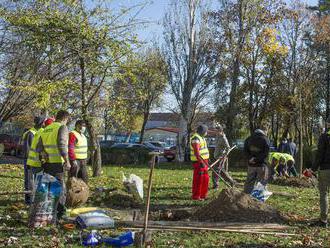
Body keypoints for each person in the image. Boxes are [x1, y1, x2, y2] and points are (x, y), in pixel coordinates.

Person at [37, 110, 70, 220]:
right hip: (57, 165)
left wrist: (43, 154)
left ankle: (47, 213)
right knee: (60, 190)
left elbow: (39, 147)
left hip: (47, 164)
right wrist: (67, 160)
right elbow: (62, 144)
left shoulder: (46, 129)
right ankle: (59, 215)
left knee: (48, 189)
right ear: (65, 118)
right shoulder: (62, 127)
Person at [311, 116, 330, 228]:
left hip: (326, 169)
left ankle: (323, 220)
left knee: (324, 194)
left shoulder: (324, 137)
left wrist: (313, 168)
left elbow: (319, 155)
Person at [22, 116, 44, 205]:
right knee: (29, 181)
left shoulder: (39, 132)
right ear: (40, 123)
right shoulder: (30, 133)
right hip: (30, 161)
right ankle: (28, 200)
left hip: (37, 162)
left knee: (36, 181)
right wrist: (28, 162)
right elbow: (27, 149)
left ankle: (34, 199)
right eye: (43, 123)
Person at [243, 128, 270, 194]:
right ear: (263, 131)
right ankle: (258, 200)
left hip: (251, 165)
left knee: (249, 181)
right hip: (261, 165)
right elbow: (265, 153)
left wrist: (250, 158)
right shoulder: (265, 139)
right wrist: (256, 159)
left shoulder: (248, 139)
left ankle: (245, 197)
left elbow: (245, 151)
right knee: (261, 182)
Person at [190, 124, 209, 200]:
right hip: (199, 162)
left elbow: (203, 149)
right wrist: (200, 162)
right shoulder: (196, 138)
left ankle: (203, 195)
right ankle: (196, 196)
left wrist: (207, 159)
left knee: (205, 178)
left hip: (205, 161)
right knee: (199, 179)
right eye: (206, 131)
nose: (206, 133)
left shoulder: (202, 138)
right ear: (203, 131)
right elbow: (196, 152)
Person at [212, 123, 233, 189]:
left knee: (216, 171)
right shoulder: (217, 137)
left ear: (220, 131)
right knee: (221, 172)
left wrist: (223, 155)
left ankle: (216, 185)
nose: (215, 132)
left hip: (221, 158)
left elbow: (228, 148)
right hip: (216, 157)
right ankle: (231, 181)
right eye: (215, 130)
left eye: (217, 131)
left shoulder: (224, 138)